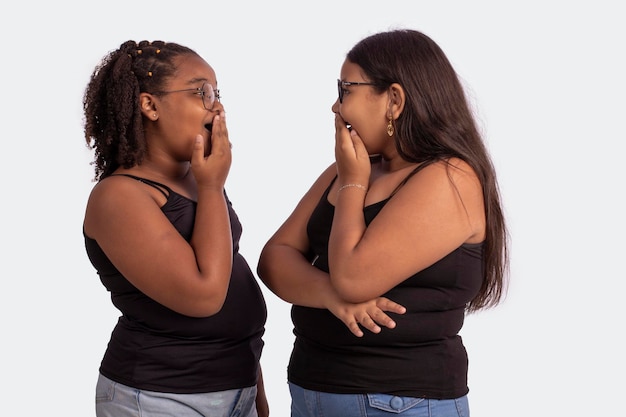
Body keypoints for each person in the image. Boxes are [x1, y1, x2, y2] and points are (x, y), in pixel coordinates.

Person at [257, 29, 508, 417]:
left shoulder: (449, 177)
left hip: (398, 402)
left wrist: (353, 182)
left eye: (345, 91)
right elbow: (274, 258)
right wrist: (330, 296)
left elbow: (355, 278)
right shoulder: (346, 172)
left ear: (393, 100)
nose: (335, 108)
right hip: (312, 390)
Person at [82, 40, 268, 417]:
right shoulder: (119, 196)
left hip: (235, 388)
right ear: (150, 105)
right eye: (203, 91)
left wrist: (254, 393)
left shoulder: (198, 180)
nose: (217, 106)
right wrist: (213, 185)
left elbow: (229, 278)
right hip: (160, 398)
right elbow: (204, 297)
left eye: (217, 93)